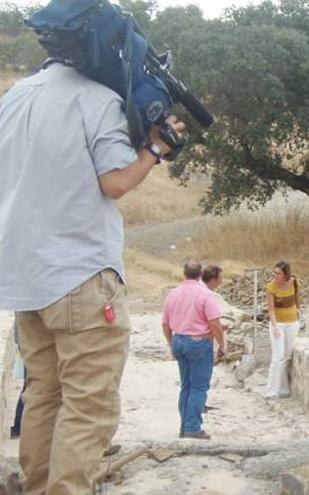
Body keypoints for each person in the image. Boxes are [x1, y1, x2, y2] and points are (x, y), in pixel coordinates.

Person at [0, 5, 185, 493]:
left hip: (24, 277)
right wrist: (155, 149)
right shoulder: (97, 100)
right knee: (90, 403)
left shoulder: (15, 96)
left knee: (43, 394)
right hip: (80, 275)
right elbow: (116, 183)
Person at [162, 261, 225, 440]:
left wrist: (171, 343)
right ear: (200, 274)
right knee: (199, 387)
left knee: (186, 386)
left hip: (179, 339)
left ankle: (184, 425)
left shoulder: (173, 294)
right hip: (199, 342)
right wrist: (221, 345)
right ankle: (192, 427)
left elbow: (165, 324)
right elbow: (214, 323)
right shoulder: (205, 295)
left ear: (184, 273)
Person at [265, 261, 302, 399]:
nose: (276, 276)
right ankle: (272, 390)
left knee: (286, 357)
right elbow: (271, 309)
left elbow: (297, 300)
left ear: (285, 274)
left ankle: (284, 389)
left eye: (279, 274)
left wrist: (298, 314)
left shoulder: (294, 283)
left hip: (292, 323)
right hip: (278, 324)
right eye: (274, 273)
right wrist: (275, 326)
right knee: (277, 356)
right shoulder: (270, 287)